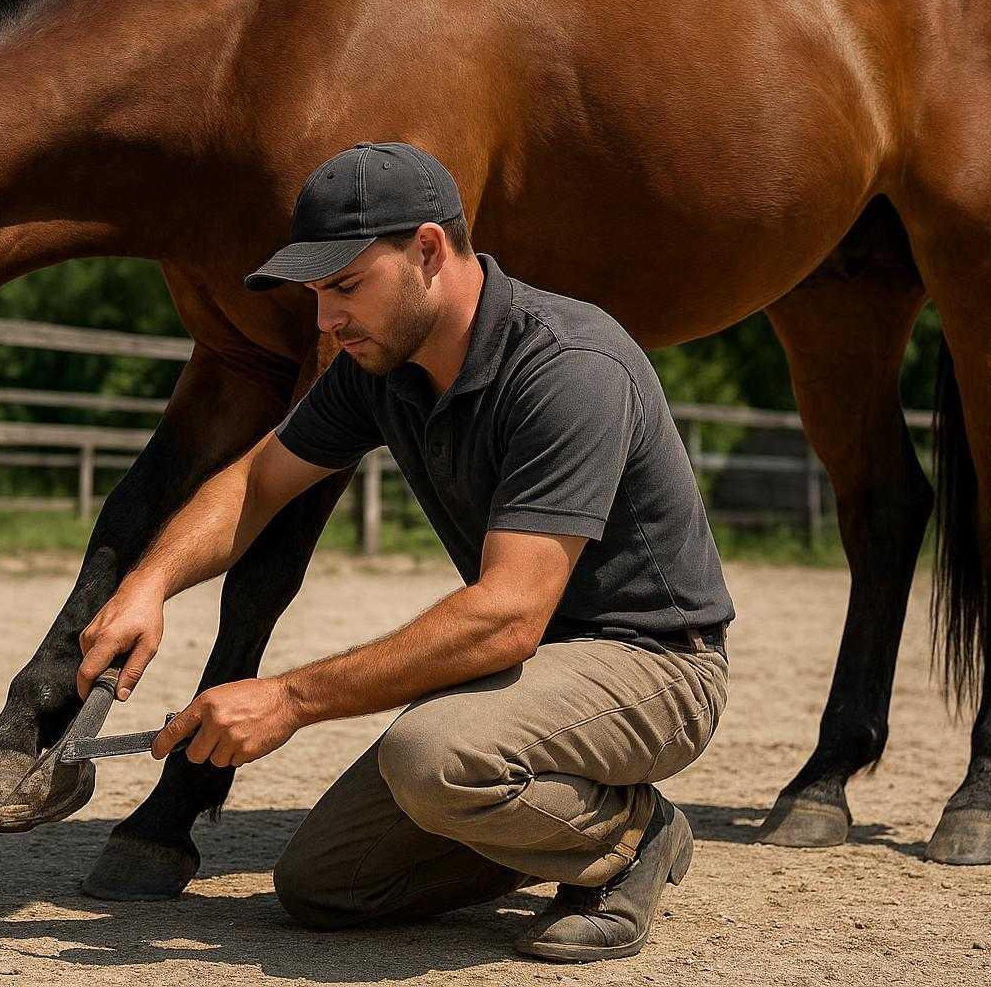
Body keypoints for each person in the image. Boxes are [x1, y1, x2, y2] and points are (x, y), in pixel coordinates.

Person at [76, 142, 734, 963]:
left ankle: (633, 836)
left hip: (656, 664)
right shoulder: (378, 363)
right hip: (531, 679)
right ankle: (552, 814)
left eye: (345, 286)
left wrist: (288, 698)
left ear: (428, 250)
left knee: (431, 757)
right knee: (326, 887)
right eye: (318, 292)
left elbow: (507, 617)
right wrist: (149, 583)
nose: (325, 320)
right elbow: (257, 482)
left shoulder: (567, 364)